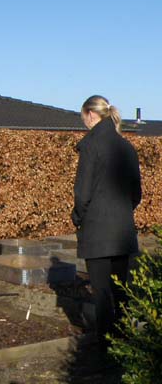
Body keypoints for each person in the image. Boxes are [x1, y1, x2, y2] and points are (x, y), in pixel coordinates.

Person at [72, 95, 141, 349]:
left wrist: (79, 217)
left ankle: (106, 345)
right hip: (123, 231)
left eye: (83, 118)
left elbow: (83, 192)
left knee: (101, 293)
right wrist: (122, 213)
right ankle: (127, 342)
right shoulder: (127, 146)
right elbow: (137, 193)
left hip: (98, 231)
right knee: (123, 290)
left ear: (91, 114)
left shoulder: (91, 145)